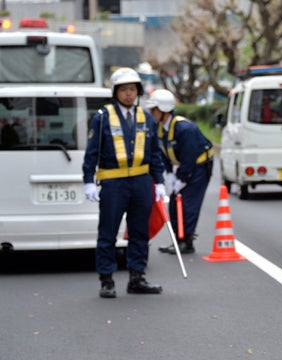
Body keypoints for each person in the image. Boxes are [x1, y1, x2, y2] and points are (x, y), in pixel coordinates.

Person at [82, 67, 166, 298]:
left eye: (132, 89)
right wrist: (88, 180)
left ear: (138, 92)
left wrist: (159, 181)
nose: (128, 94)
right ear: (115, 92)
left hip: (141, 182)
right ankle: (106, 279)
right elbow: (92, 152)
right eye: (124, 90)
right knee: (108, 232)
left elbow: (154, 153)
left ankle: (137, 277)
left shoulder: (146, 117)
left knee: (140, 232)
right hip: (113, 183)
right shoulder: (102, 117)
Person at [145, 89, 214, 255]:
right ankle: (178, 239)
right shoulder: (161, 129)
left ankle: (187, 242)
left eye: (153, 110)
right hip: (186, 167)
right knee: (175, 201)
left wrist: (182, 179)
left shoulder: (184, 129)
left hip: (199, 167)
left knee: (188, 203)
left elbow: (189, 157)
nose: (151, 113)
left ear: (163, 110)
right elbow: (163, 153)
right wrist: (169, 173)